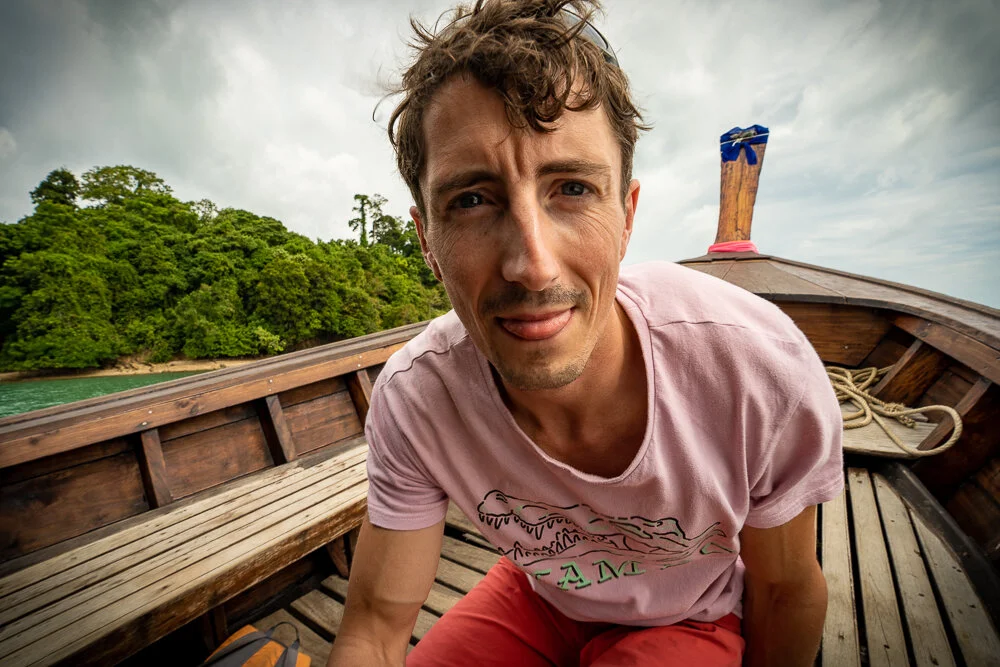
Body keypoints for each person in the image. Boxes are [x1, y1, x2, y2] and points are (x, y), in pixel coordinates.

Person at [328, 1, 843, 665]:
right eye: (472, 200)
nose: (532, 265)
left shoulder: (756, 371)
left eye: (571, 188)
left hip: (693, 609)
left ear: (626, 215)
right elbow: (373, 628)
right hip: (541, 594)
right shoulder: (417, 399)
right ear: (427, 238)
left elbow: (784, 590)